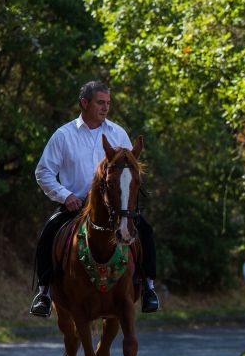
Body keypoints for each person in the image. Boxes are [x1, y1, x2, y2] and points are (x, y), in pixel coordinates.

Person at [29, 81, 159, 317]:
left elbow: (130, 170)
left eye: (108, 103)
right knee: (48, 233)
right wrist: (64, 195)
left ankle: (149, 288)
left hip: (113, 210)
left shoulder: (118, 133)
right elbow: (43, 172)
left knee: (146, 232)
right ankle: (44, 293)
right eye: (100, 102)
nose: (105, 108)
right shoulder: (63, 135)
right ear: (84, 103)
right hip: (75, 206)